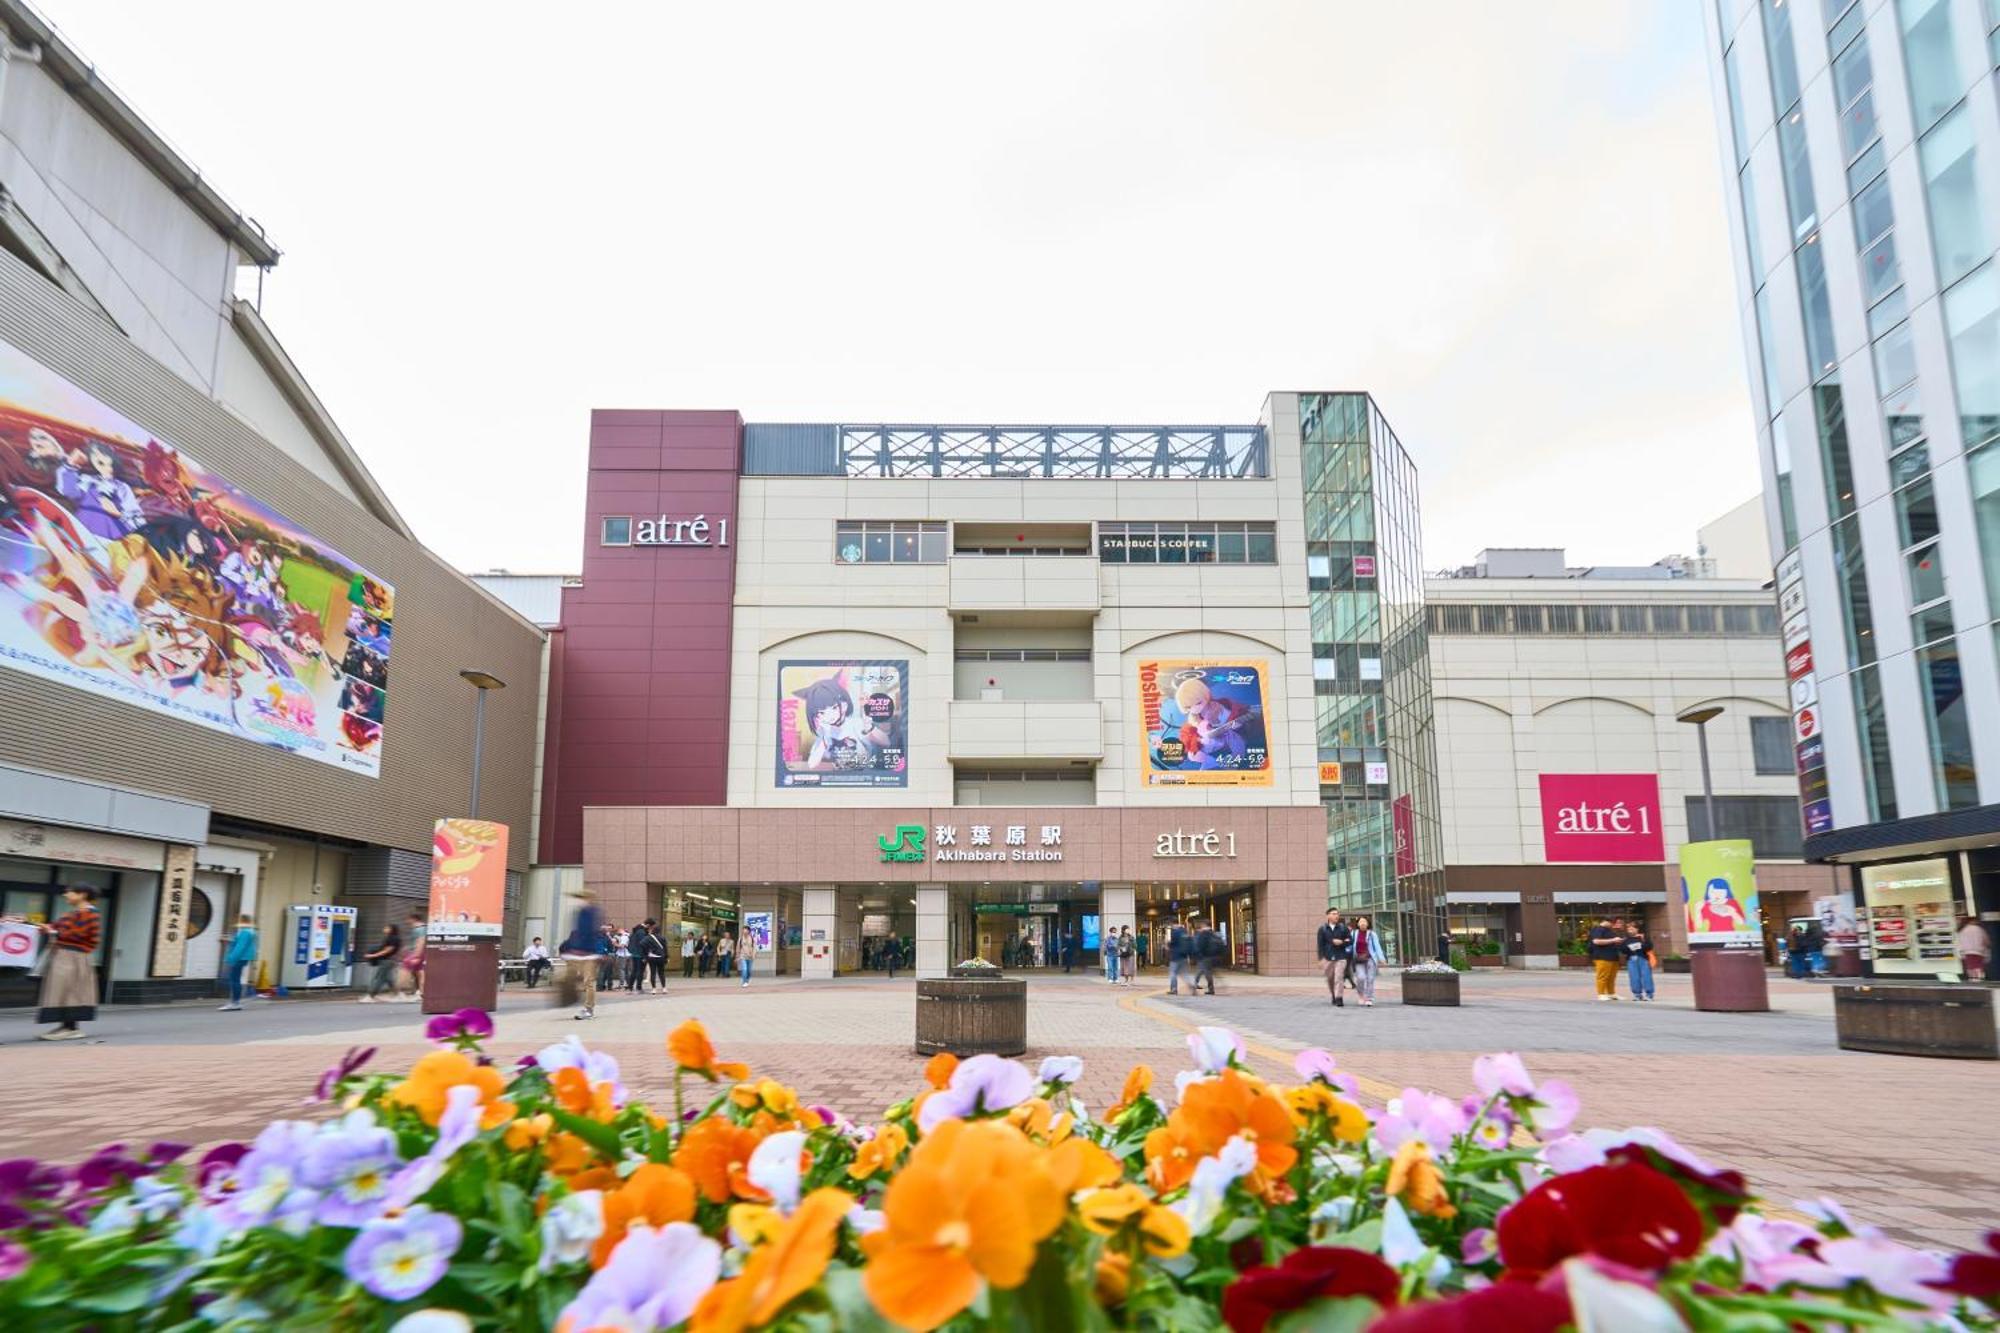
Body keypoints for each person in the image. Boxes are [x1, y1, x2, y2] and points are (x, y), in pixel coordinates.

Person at [34, 887, 101, 1040]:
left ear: (82, 895)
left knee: (71, 989)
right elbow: (56, 927)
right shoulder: (72, 914)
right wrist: (47, 928)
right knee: (61, 989)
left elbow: (80, 934)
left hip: (75, 956)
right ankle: (65, 1026)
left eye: (70, 892)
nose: (66, 895)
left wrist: (53, 931)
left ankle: (72, 1028)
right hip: (64, 955)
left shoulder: (91, 913)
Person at [559, 890, 607, 1020]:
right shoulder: (579, 912)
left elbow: (594, 933)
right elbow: (575, 933)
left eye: (580, 898)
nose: (578, 901)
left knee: (588, 981)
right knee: (567, 977)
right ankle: (570, 998)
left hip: (589, 954)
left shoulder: (593, 912)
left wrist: (600, 952)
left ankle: (588, 1009)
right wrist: (566, 948)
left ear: (588, 898)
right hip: (575, 953)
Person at [218, 913, 258, 1011]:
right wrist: (230, 940)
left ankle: (235, 1002)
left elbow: (240, 947)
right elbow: (244, 945)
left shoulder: (245, 932)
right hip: (244, 958)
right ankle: (235, 1002)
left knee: (234, 980)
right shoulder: (251, 932)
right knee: (236, 979)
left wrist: (231, 959)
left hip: (239, 958)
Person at [1316, 908, 1352, 1008]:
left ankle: (1339, 998)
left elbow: (1350, 940)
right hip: (1327, 957)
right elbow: (1320, 945)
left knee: (1339, 977)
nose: (1336, 916)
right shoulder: (1322, 929)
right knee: (1330, 979)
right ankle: (1333, 995)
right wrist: (1320, 959)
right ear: (1328, 916)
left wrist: (1342, 942)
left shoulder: (1343, 928)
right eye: (1333, 914)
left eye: (1337, 914)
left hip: (1341, 956)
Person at [360, 919, 402, 1002]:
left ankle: (371, 995)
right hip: (388, 960)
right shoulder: (391, 938)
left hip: (386, 960)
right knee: (388, 979)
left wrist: (372, 955)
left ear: (391, 929)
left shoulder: (392, 938)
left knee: (379, 978)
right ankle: (398, 994)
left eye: (386, 927)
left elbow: (387, 950)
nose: (384, 929)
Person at [1586, 916, 1622, 1001]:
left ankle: (1611, 993)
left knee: (1611, 977)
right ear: (1606, 921)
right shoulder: (1598, 929)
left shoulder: (1609, 930)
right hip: (1602, 956)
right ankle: (1601, 994)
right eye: (1613, 923)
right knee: (1602, 976)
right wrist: (1613, 940)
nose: (1613, 925)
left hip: (1613, 956)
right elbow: (1596, 941)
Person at [1349, 915, 1379, 1007]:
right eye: (1361, 922)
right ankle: (1361, 995)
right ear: (1357, 924)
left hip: (1370, 959)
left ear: (1368, 923)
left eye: (1364, 921)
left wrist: (1381, 958)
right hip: (1358, 959)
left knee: (1370, 979)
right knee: (1361, 978)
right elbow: (1349, 945)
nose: (1362, 923)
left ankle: (1369, 998)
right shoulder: (1353, 933)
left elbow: (1377, 947)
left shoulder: (1372, 934)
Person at [399, 912, 427, 1002]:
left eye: (408, 919)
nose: (407, 921)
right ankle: (420, 993)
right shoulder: (422, 928)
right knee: (420, 973)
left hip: (417, 953)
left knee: (406, 968)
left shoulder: (419, 929)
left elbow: (420, 942)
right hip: (419, 953)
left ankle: (401, 991)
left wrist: (416, 955)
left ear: (413, 919)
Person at [1624, 921, 1656, 1001]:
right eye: (1628, 928)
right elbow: (1622, 949)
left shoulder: (1643, 937)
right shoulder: (1626, 939)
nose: (1630, 930)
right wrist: (1629, 948)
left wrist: (1639, 946)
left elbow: (1649, 946)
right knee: (1634, 977)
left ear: (1637, 929)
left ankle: (1649, 994)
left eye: (1632, 928)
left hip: (1643, 958)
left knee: (1646, 976)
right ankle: (1637, 994)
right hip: (1631, 959)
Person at [1193, 919, 1221, 995]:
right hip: (1213, 956)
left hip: (1205, 957)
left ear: (1204, 925)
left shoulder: (1203, 933)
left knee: (1205, 972)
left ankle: (1210, 989)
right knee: (1206, 971)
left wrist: (1198, 954)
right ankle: (1210, 988)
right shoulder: (1214, 933)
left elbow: (1200, 945)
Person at [1959, 916, 1990, 983]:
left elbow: (1961, 942)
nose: (1977, 922)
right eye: (1976, 921)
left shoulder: (1963, 930)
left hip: (1967, 952)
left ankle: (1972, 979)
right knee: (1978, 966)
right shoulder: (1979, 929)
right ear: (1972, 921)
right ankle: (1979, 980)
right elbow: (1986, 941)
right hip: (1978, 951)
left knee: (1970, 966)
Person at [1166, 919, 1193, 995]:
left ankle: (1173, 989)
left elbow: (1172, 943)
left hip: (1175, 956)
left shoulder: (1175, 932)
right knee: (1184, 974)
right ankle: (1192, 985)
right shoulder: (1184, 931)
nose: (1171, 927)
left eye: (1171, 925)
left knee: (1172, 973)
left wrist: (1168, 945)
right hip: (1184, 956)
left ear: (1173, 924)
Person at [645, 921, 668, 991]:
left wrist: (647, 952)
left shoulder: (649, 938)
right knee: (661, 973)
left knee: (653, 973)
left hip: (652, 957)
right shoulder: (662, 938)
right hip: (661, 957)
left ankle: (654, 989)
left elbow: (642, 944)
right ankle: (664, 988)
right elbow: (665, 948)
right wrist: (667, 957)